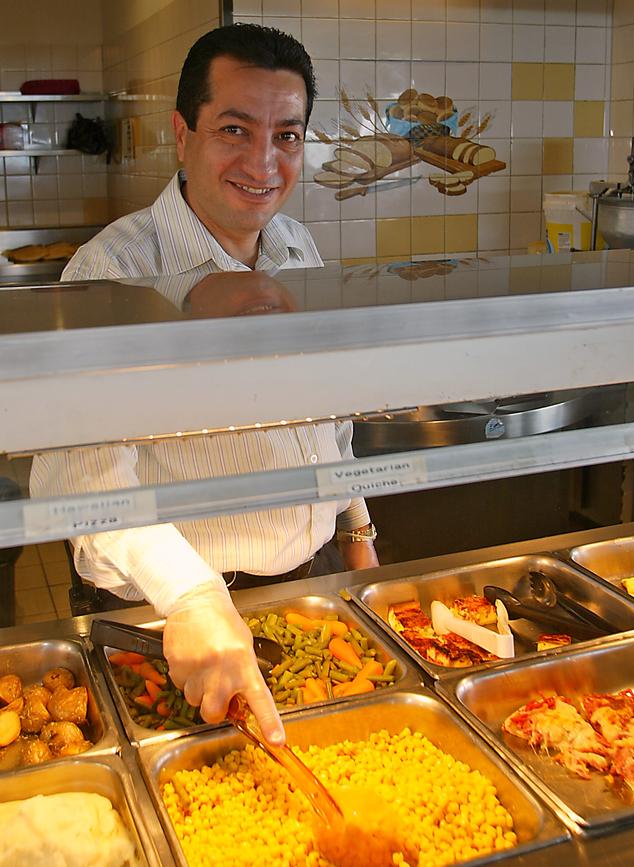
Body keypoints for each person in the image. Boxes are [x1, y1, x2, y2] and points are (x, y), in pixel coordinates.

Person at [29, 24, 378, 746]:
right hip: (165, 624)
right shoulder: (108, 272)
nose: (263, 161)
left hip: (302, 595)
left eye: (287, 135)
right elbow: (82, 482)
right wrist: (191, 598)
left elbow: (326, 419)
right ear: (182, 134)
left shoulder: (300, 250)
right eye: (234, 129)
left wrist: (358, 531)